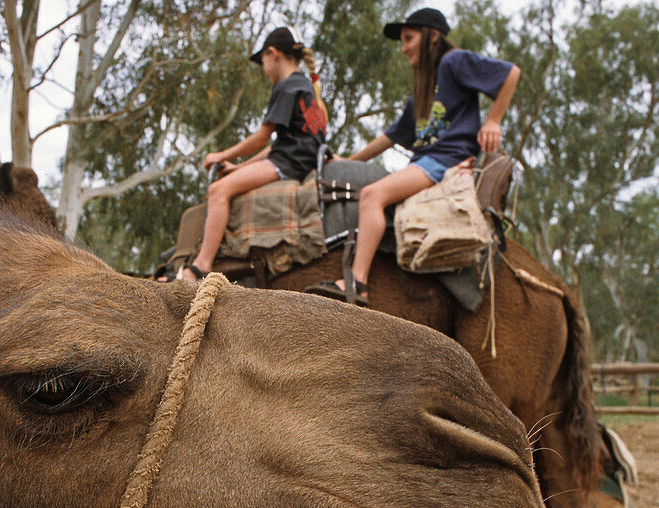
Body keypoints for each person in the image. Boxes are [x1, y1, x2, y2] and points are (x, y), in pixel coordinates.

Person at [306, 8, 519, 306]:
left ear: (432, 37)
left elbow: (510, 73)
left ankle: (357, 283)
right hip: (425, 163)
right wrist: (347, 162)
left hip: (445, 160)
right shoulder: (420, 93)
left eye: (409, 38)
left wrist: (493, 120)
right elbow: (390, 138)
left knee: (372, 196)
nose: (403, 47)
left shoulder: (453, 62)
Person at [174, 27, 328, 282]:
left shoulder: (286, 86)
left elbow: (262, 137)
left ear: (273, 54)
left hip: (288, 164)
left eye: (264, 62)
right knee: (228, 182)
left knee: (218, 191)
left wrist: (220, 154)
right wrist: (237, 168)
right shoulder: (305, 87)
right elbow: (277, 145)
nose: (265, 69)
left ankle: (201, 265)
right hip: (297, 159)